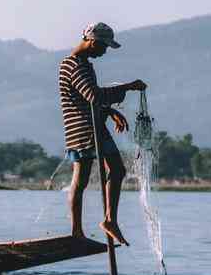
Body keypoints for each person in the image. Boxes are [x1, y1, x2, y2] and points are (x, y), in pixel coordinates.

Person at [58, 22, 147, 245]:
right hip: (84, 129)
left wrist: (110, 111)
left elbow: (89, 99)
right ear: (93, 42)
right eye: (104, 47)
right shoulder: (74, 66)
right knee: (88, 178)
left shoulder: (83, 65)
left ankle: (105, 222)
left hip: (92, 124)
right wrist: (127, 87)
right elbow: (93, 96)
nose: (104, 52)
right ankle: (82, 230)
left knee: (110, 172)